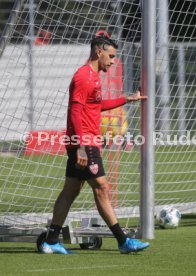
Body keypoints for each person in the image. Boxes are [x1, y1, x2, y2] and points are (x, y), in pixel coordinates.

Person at [41, 33, 150, 254]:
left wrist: (126, 99)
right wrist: (80, 145)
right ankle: (123, 241)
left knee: (70, 191)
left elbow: (96, 105)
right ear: (98, 52)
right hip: (85, 142)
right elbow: (75, 111)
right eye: (110, 56)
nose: (112, 61)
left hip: (85, 142)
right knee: (102, 187)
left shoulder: (93, 77)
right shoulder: (83, 77)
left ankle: (51, 241)